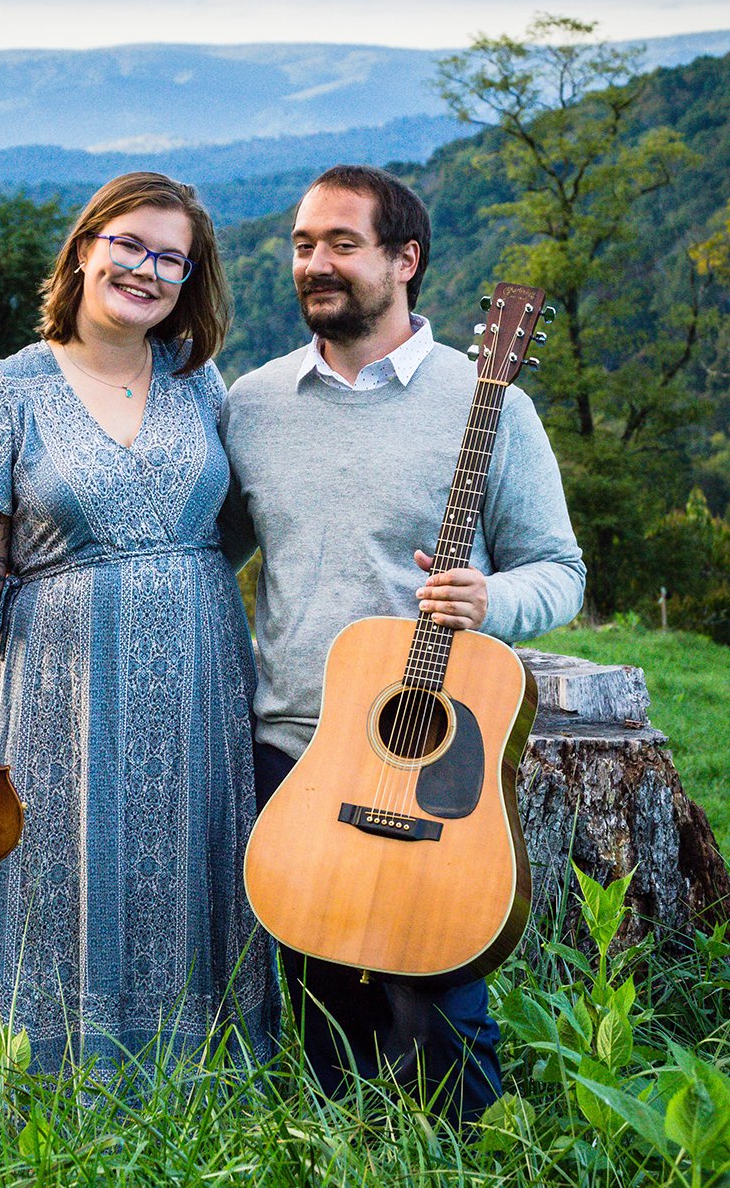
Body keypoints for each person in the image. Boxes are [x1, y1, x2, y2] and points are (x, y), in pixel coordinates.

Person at [0, 171, 277, 1078]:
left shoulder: (198, 380)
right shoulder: (6, 390)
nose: (147, 269)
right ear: (85, 248)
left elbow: (233, 527)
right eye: (130, 245)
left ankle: (205, 1080)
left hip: (200, 668)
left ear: (190, 279)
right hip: (63, 680)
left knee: (196, 866)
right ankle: (47, 1077)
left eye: (171, 258)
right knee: (64, 866)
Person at [219, 164, 585, 1125]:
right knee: (313, 1009)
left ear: (406, 259)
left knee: (439, 1014)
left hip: (434, 762)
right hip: (290, 746)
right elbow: (199, 552)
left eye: (343, 243)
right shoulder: (254, 405)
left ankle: (461, 1154)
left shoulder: (487, 400)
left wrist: (489, 596)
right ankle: (324, 1151)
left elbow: (560, 569)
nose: (316, 263)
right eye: (303, 244)